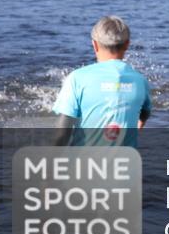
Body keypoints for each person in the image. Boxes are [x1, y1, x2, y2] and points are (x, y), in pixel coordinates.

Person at [53, 16, 152, 147]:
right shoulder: (140, 81)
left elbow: (62, 132)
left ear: (94, 44)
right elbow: (145, 112)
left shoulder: (77, 78)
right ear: (127, 44)